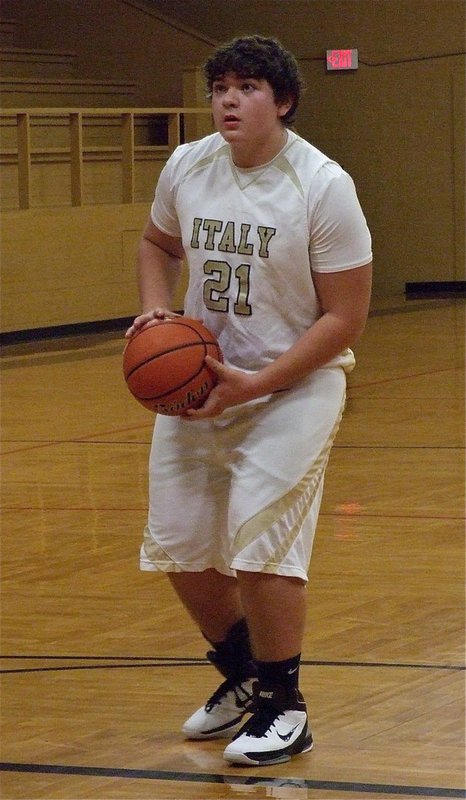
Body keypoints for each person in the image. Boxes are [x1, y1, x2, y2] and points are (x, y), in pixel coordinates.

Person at [126, 34, 372, 766]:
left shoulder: (323, 186)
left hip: (292, 386)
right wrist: (153, 315)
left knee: (263, 548)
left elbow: (344, 318)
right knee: (180, 546)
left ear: (283, 100)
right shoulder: (188, 164)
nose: (228, 101)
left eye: (247, 88)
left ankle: (284, 705)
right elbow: (156, 243)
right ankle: (240, 678)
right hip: (204, 380)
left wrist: (258, 384)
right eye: (220, 88)